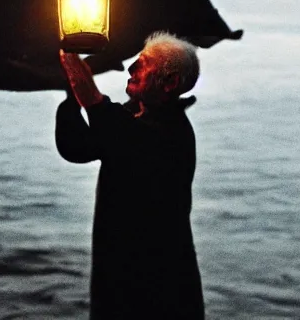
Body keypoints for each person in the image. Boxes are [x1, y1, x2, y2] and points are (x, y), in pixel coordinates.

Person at [55, 30, 204, 319]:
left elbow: (112, 124)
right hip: (121, 276)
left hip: (158, 288)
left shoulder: (169, 134)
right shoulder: (136, 115)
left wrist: (76, 72)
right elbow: (77, 148)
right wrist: (71, 94)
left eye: (143, 64)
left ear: (169, 82)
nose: (131, 68)